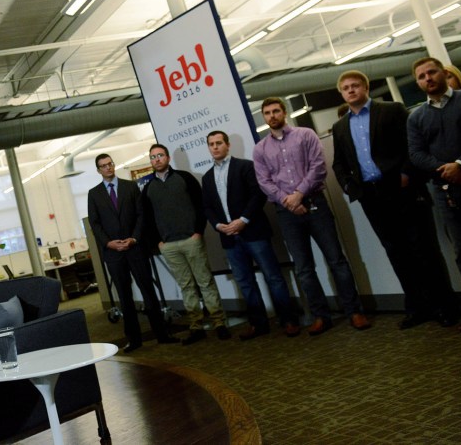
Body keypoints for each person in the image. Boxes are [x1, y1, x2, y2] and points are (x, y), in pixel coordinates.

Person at [331, 70, 456, 329]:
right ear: (341, 93)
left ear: (366, 88)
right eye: (346, 88)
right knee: (397, 253)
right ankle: (417, 308)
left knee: (424, 250)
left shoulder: (391, 110)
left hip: (403, 190)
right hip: (371, 196)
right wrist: (348, 186)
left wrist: (407, 174)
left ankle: (445, 307)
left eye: (355, 85)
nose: (351, 90)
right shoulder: (340, 126)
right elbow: (339, 163)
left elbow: (413, 146)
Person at [252, 97, 370, 336]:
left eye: (276, 111)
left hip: (316, 204)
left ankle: (354, 311)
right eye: (267, 113)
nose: (272, 115)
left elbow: (319, 167)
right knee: (304, 268)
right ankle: (320, 316)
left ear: (284, 112)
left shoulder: (305, 135)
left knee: (337, 260)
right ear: (264, 117)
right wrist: (290, 201)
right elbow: (264, 181)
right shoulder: (260, 149)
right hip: (286, 213)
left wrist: (298, 195)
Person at [407, 56, 461, 333]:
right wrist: (449, 171)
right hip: (447, 190)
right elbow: (416, 154)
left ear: (443, 73)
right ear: (418, 83)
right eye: (421, 76)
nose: (427, 78)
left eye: (431, 72)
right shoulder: (416, 117)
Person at [202, 131, 301, 340]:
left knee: (273, 277)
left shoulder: (245, 166)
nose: (215, 147)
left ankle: (288, 320)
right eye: (211, 144)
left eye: (219, 143)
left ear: (227, 145)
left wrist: (243, 220)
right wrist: (219, 225)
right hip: (228, 237)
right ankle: (258, 324)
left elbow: (257, 195)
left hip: (253, 231)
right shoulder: (207, 177)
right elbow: (208, 207)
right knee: (245, 282)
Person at [87, 154, 178, 351]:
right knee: (124, 296)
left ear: (114, 164)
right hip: (113, 253)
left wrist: (134, 238)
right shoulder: (93, 194)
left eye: (110, 164)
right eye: (103, 166)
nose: (108, 168)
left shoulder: (130, 187)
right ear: (98, 170)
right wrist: (109, 243)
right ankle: (134, 340)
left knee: (148, 291)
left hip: (135, 248)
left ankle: (162, 334)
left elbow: (141, 215)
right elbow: (95, 224)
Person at [141, 144, 229, 345]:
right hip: (169, 246)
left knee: (205, 282)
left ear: (168, 158)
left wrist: (198, 231)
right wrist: (158, 243)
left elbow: (201, 205)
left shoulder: (185, 178)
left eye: (160, 155)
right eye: (153, 157)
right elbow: (147, 219)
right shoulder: (147, 188)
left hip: (192, 240)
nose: (157, 159)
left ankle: (219, 323)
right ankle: (196, 327)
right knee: (186, 287)